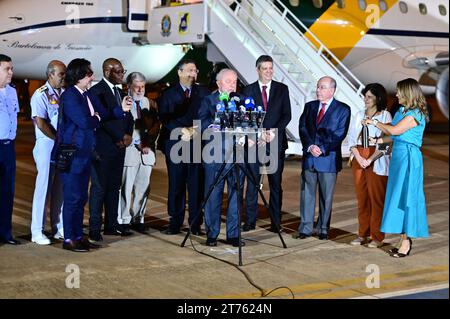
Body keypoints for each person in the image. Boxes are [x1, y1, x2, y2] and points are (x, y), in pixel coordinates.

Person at [59, 58, 131, 252]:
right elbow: (85, 121)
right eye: (89, 73)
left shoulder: (86, 95)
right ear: (80, 76)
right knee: (73, 198)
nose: (92, 76)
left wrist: (120, 110)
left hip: (85, 153)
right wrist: (97, 118)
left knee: (81, 197)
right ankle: (69, 239)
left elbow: (102, 114)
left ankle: (78, 235)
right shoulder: (70, 96)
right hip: (73, 153)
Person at [363, 78, 429, 258]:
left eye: (400, 91)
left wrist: (374, 122)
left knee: (407, 197)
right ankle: (403, 238)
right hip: (398, 157)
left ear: (408, 93)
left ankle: (407, 242)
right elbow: (391, 136)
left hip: (409, 158)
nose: (397, 94)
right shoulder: (401, 111)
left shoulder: (416, 113)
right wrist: (377, 140)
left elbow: (395, 131)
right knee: (397, 198)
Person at [158, 59, 209, 235]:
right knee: (176, 185)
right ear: (179, 72)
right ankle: (175, 222)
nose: (192, 74)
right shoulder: (168, 93)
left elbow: (208, 114)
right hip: (176, 143)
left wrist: (196, 129)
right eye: (189, 70)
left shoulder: (203, 92)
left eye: (195, 71)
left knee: (196, 186)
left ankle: (195, 224)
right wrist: (182, 131)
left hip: (197, 144)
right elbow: (164, 117)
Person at [297, 76, 351, 240]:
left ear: (332, 90)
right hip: (310, 157)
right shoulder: (310, 106)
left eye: (322, 87)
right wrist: (310, 146)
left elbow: (339, 133)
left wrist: (322, 148)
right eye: (318, 87)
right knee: (307, 194)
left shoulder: (343, 109)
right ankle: (305, 228)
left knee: (326, 197)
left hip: (328, 159)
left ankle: (322, 229)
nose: (318, 90)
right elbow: (303, 127)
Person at [242, 55, 292, 232]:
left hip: (275, 141)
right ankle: (249, 221)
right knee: (252, 183)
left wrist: (273, 131)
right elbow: (245, 117)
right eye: (265, 68)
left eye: (271, 68)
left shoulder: (282, 89)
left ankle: (276, 223)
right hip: (254, 142)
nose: (269, 71)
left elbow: (287, 115)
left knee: (275, 184)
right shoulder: (248, 90)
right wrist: (258, 133)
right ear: (258, 70)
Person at [88, 58, 134, 242]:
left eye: (123, 71)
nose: (123, 74)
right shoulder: (96, 91)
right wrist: (119, 137)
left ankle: (111, 225)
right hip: (104, 146)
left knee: (115, 187)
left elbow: (128, 115)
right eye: (119, 71)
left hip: (120, 146)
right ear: (107, 72)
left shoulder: (120, 90)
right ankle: (94, 228)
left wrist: (128, 134)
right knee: (99, 188)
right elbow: (102, 119)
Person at [197, 68, 244, 247]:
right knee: (213, 195)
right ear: (218, 84)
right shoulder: (208, 101)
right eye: (228, 81)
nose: (232, 84)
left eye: (234, 81)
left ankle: (233, 234)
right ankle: (212, 233)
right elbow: (201, 125)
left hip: (237, 156)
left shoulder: (241, 101)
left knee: (235, 196)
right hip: (214, 156)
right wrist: (218, 123)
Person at [348, 83, 392, 248]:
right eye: (364, 96)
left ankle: (377, 237)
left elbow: (386, 142)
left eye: (369, 97)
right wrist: (359, 157)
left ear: (378, 98)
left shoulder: (384, 116)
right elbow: (352, 139)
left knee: (376, 199)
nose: (365, 99)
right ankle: (362, 234)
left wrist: (370, 159)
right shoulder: (359, 114)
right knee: (362, 198)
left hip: (376, 158)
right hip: (360, 156)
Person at [118, 72, 160, 234]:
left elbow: (155, 126)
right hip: (130, 152)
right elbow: (124, 126)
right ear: (128, 86)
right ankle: (123, 219)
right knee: (126, 188)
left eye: (142, 86)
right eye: (136, 86)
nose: (140, 89)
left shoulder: (149, 103)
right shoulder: (124, 102)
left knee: (143, 188)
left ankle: (138, 218)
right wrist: (138, 142)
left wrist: (148, 142)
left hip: (147, 153)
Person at [29, 60, 66, 245]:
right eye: (61, 74)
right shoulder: (40, 95)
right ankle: (37, 231)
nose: (63, 77)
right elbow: (41, 123)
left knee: (60, 187)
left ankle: (58, 227)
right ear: (50, 74)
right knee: (43, 188)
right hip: (46, 144)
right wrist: (58, 140)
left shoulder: (64, 93)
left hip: (61, 145)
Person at [0, 54, 21, 245]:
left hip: (8, 147)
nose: (11, 72)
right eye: (7, 69)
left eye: (11, 68)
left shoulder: (12, 91)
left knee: (7, 192)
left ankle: (5, 233)